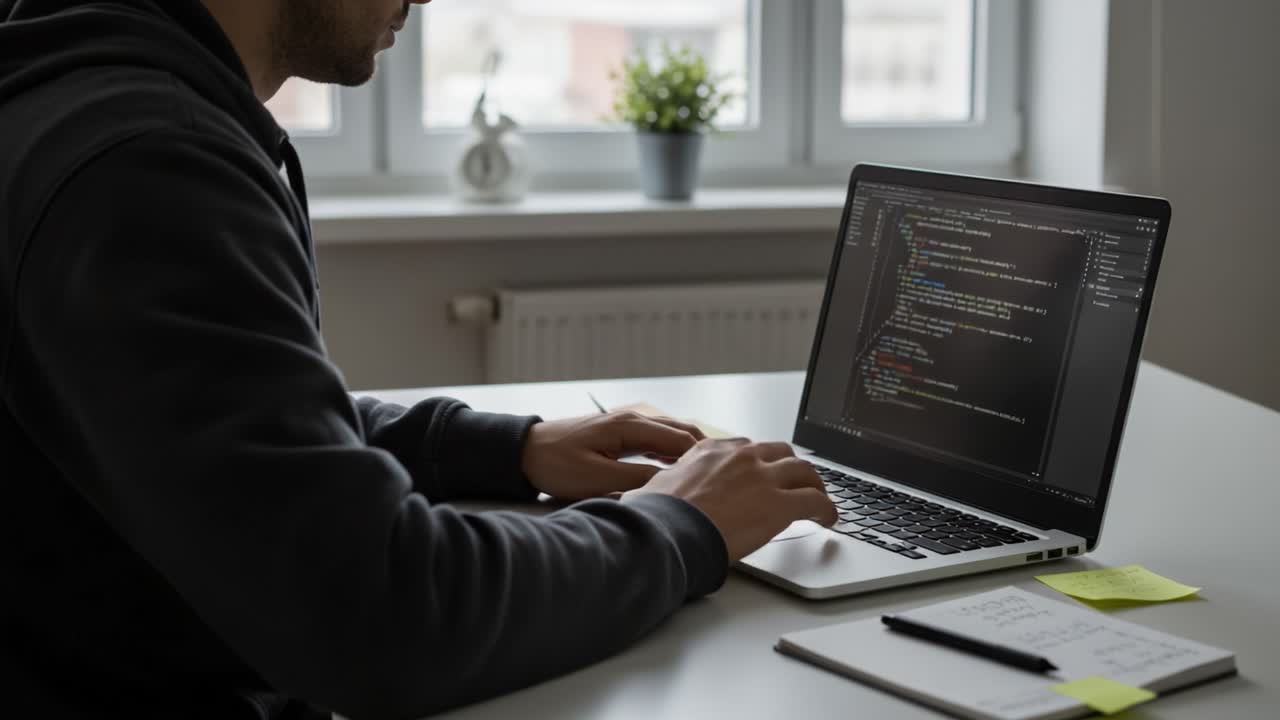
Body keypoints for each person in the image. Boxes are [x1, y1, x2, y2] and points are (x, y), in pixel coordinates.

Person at [0, 0, 836, 718]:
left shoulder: (80, 94)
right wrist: (682, 526)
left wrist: (503, 448)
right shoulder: (147, 166)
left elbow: (202, 431)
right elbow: (381, 617)